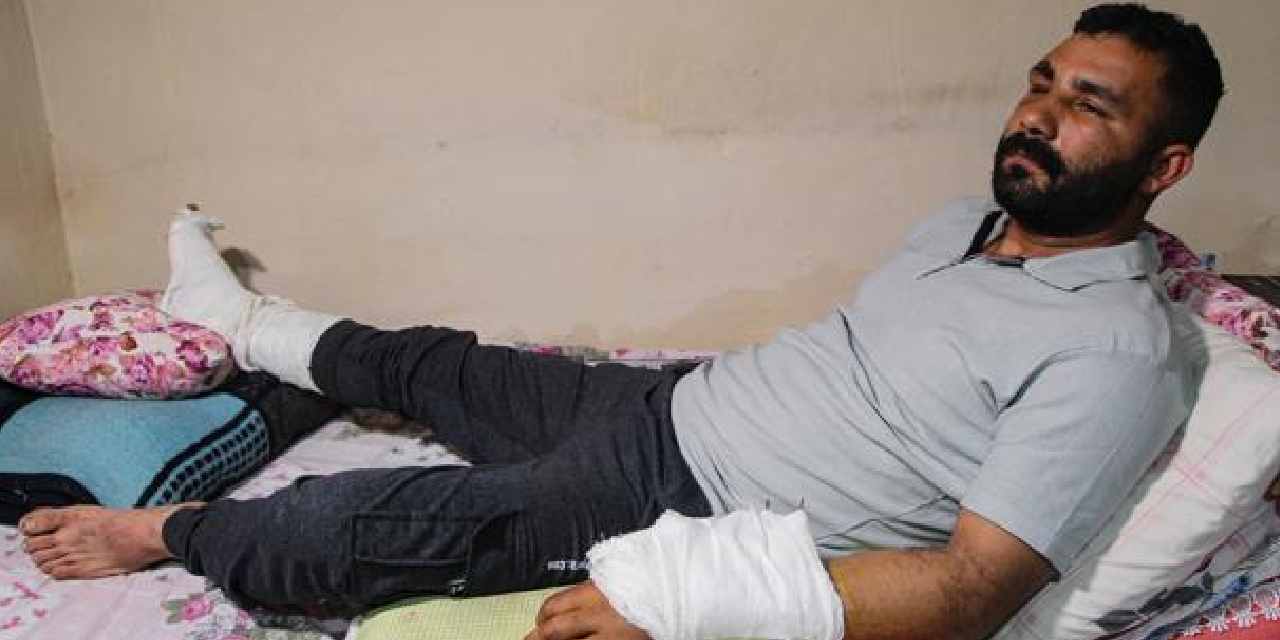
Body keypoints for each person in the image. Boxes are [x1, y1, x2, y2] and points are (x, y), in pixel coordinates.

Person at [17, 4, 1224, 639]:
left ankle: (163, 532)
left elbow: (967, 592)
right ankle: (232, 319)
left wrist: (694, 602)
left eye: (1089, 106)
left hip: (691, 501)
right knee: (436, 363)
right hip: (671, 398)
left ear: (1161, 165)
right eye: (1039, 82)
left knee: (366, 520)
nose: (1036, 116)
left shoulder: (1113, 351)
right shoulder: (965, 223)